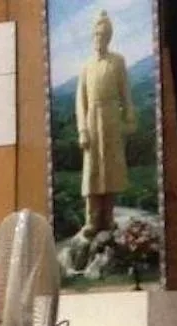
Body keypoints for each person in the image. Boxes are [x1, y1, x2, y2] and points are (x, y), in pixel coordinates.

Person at [74, 10, 136, 245]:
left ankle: (108, 217)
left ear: (108, 37)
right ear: (93, 37)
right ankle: (91, 219)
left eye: (103, 35)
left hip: (111, 119)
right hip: (92, 120)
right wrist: (82, 130)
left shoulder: (118, 61)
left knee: (111, 168)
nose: (99, 39)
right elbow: (80, 102)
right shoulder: (86, 67)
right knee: (92, 170)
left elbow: (126, 92)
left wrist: (129, 116)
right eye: (96, 35)